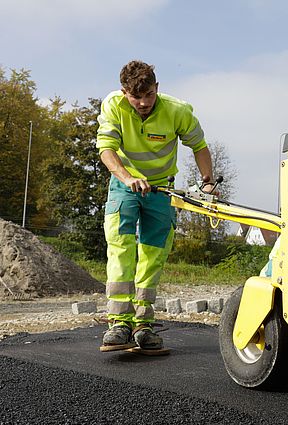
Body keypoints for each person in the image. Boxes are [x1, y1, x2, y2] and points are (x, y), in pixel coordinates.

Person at [97, 60, 214, 350]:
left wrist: (208, 182)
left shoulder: (177, 111)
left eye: (149, 95)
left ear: (157, 89)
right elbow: (106, 149)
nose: (143, 102)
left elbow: (199, 146)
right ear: (125, 93)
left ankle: (143, 325)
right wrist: (128, 177)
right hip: (124, 185)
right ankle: (119, 323)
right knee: (121, 248)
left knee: (153, 255)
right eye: (136, 97)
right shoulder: (113, 105)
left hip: (161, 189)